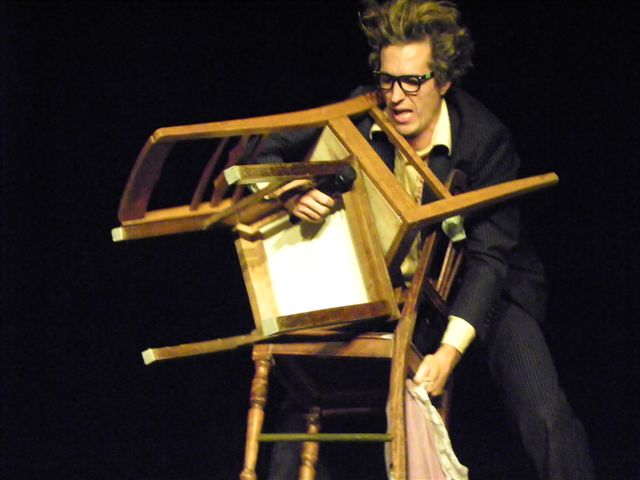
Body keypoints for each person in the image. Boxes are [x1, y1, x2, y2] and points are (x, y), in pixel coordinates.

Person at [260, 1, 595, 478]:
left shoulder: (483, 140)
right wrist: (290, 191)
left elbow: (489, 258)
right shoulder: (362, 109)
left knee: (544, 411)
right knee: (304, 390)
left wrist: (449, 352)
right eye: (388, 80)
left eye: (413, 81)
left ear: (443, 81)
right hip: (401, 291)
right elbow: (266, 150)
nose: (397, 97)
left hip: (485, 287)